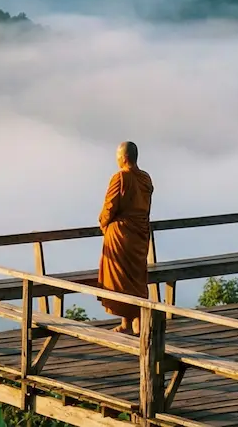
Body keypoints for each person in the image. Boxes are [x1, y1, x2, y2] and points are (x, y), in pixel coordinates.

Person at [97, 141, 154, 334]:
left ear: (124, 157)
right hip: (140, 234)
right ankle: (132, 323)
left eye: (118, 156)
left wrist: (103, 222)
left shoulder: (120, 178)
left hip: (121, 236)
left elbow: (110, 207)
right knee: (136, 279)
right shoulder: (146, 178)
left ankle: (129, 324)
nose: (117, 160)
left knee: (122, 280)